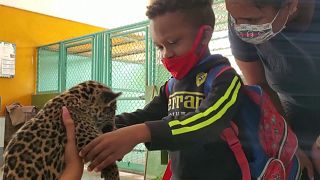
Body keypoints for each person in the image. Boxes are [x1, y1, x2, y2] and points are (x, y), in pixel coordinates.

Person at [63, 0, 245, 179]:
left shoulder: (225, 79)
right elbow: (145, 116)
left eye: (173, 42)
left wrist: (140, 133)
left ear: (204, 36)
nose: (166, 54)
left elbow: (207, 123)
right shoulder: (172, 86)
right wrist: (98, 127)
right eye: (160, 46)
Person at [226, 0, 320, 179]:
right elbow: (259, 86)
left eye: (252, 19)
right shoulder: (243, 25)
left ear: (291, 4)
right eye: (234, 17)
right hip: (292, 111)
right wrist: (290, 144)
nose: (241, 27)